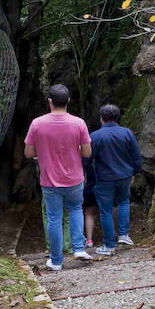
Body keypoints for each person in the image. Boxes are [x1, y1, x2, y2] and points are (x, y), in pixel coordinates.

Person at [24, 84, 93, 269]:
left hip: (49, 180)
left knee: (54, 218)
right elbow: (87, 153)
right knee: (76, 210)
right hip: (74, 178)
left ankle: (56, 261)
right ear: (68, 100)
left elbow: (29, 153)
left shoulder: (37, 124)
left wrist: (44, 150)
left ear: (50, 102)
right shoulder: (79, 123)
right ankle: (78, 248)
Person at [89, 103, 142, 256]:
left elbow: (88, 159)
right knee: (123, 202)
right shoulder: (127, 133)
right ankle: (124, 235)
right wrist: (134, 172)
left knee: (105, 210)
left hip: (104, 178)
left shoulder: (95, 136)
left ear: (101, 119)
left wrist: (90, 177)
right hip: (125, 176)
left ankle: (109, 244)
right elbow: (136, 155)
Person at [82, 155, 99, 249]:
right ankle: (109, 236)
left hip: (88, 188)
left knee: (88, 213)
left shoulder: (83, 160)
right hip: (102, 186)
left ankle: (89, 240)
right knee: (106, 212)